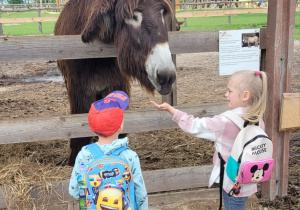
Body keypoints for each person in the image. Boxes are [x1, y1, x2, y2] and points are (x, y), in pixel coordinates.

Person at [151, 70, 267, 210]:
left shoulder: (225, 122)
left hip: (231, 182)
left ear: (245, 95)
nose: (226, 94)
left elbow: (195, 126)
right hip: (249, 179)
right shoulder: (258, 120)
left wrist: (172, 111)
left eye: (229, 91)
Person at [69, 90, 148, 210]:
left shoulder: (84, 155)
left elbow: (74, 191)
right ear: (121, 126)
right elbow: (140, 193)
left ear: (93, 128)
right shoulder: (130, 156)